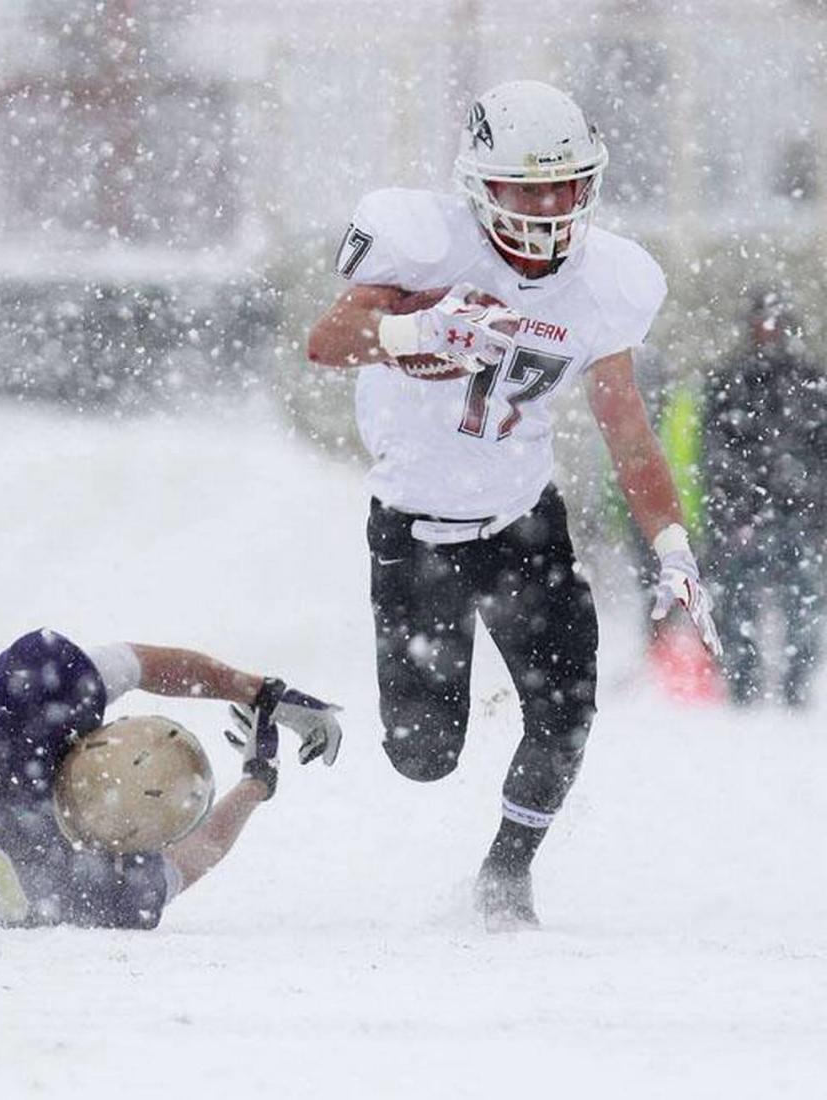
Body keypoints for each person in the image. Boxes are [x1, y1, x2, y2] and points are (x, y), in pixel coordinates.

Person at [307, 80, 720, 931]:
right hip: (414, 531)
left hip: (523, 521)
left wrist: (672, 544)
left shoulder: (611, 281)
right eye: (529, 187)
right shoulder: (424, 246)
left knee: (567, 712)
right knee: (423, 757)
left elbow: (630, 434)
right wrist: (415, 333)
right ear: (479, 185)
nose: (551, 206)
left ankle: (506, 875)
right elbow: (326, 340)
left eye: (567, 184)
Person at [0, 628, 342, 929]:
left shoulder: (27, 721)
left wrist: (259, 691)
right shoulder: (79, 882)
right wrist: (255, 783)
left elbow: (134, 663)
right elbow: (193, 858)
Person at [701, 287, 827, 707]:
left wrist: (807, 492)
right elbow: (714, 450)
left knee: (803, 602)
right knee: (737, 600)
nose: (767, 331)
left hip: (799, 514)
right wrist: (734, 499)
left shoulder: (811, 379)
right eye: (761, 323)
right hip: (745, 515)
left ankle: (794, 683)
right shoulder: (729, 379)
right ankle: (742, 680)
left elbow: (820, 447)